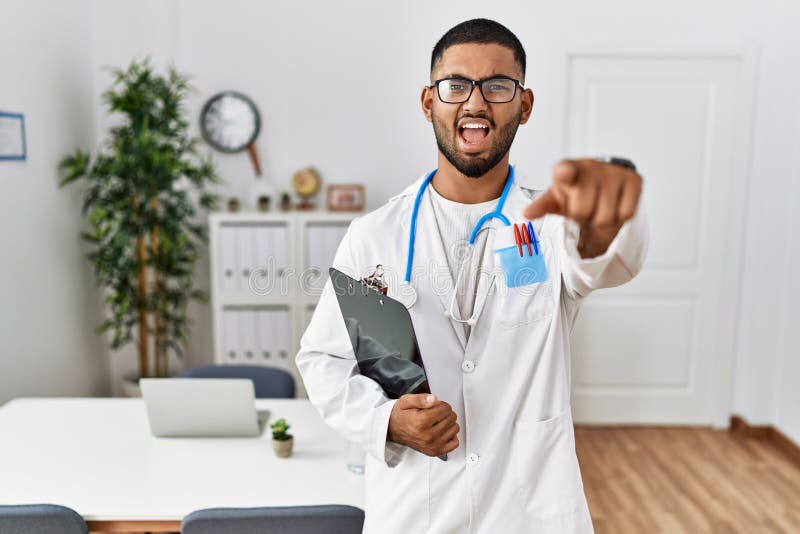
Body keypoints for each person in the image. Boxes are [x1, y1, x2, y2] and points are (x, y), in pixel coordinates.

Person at [296, 18, 647, 534]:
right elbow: (323, 359)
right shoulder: (374, 235)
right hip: (416, 510)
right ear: (428, 101)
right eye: (455, 85)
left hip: (529, 512)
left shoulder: (549, 228)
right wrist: (386, 421)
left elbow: (605, 259)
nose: (475, 103)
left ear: (524, 106)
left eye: (498, 86)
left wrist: (608, 216)